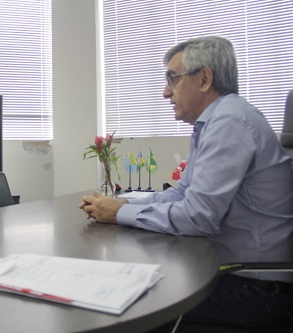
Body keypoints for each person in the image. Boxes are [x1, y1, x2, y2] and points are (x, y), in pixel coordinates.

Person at [79, 36, 293, 327]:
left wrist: (118, 214)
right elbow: (183, 193)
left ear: (204, 78)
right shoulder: (213, 121)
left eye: (173, 78)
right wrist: (123, 204)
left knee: (128, 309)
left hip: (252, 286)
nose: (166, 92)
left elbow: (197, 217)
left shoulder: (230, 122)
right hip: (229, 273)